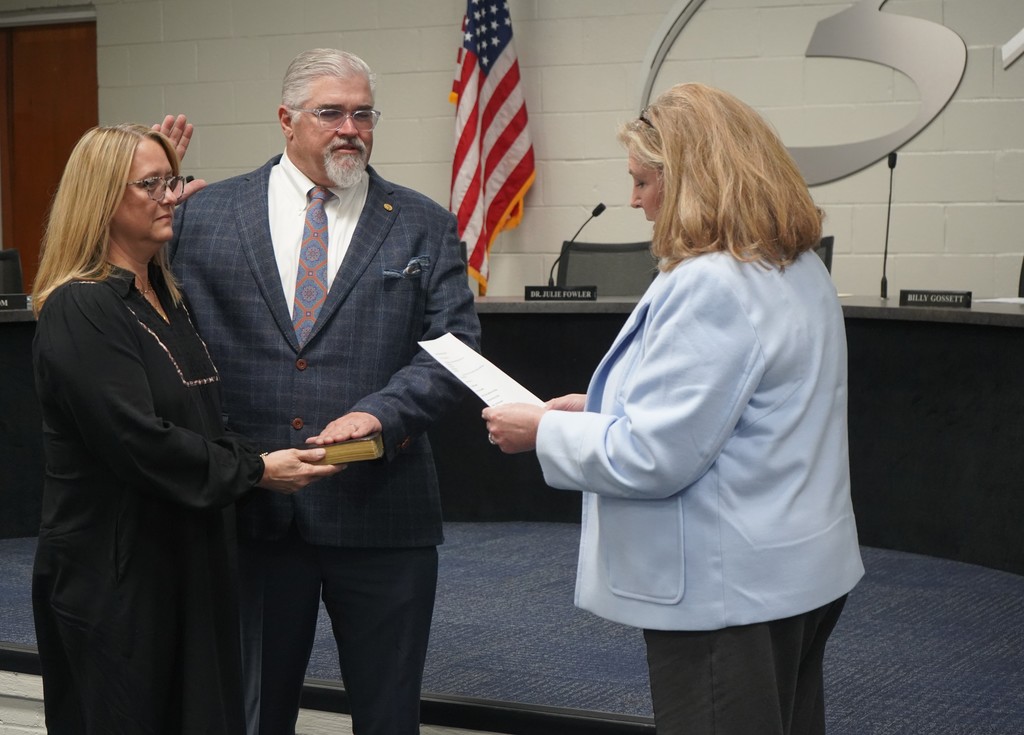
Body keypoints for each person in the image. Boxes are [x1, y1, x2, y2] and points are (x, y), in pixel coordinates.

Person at [482, 83, 864, 735]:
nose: (634, 200)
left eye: (642, 181)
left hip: (727, 593)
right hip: (794, 569)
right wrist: (602, 405)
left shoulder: (712, 281)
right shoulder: (794, 264)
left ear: (689, 179)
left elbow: (654, 456)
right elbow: (751, 406)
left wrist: (542, 432)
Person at [165, 48, 481, 735]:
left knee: (388, 715)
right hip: (250, 509)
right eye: (331, 113)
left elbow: (454, 350)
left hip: (381, 510)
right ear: (286, 120)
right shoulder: (202, 216)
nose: (350, 129)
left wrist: (382, 414)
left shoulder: (422, 221)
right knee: (250, 715)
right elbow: (146, 326)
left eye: (363, 114)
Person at [30, 124, 339, 734]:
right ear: (101, 199)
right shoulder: (81, 306)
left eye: (172, 182)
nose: (171, 196)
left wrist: (264, 457)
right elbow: (138, 440)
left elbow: (198, 421)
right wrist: (256, 470)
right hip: (116, 574)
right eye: (151, 185)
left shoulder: (165, 296)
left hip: (186, 555)